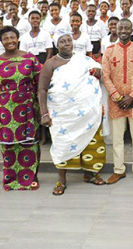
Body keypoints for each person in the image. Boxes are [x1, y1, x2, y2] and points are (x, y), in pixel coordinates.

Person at [38, 33, 107, 196]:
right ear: (57, 45)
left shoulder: (83, 59)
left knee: (91, 141)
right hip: (62, 114)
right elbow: (42, 89)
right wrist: (43, 113)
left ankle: (90, 174)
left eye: (69, 40)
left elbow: (100, 72)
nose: (67, 44)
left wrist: (98, 72)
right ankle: (61, 179)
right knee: (63, 144)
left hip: (87, 113)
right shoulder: (51, 63)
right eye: (62, 41)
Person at [0, 26, 41, 190]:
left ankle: (30, 178)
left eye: (12, 38)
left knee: (29, 143)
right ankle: (10, 179)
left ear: (18, 39)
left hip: (28, 105)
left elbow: (40, 85)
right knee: (8, 144)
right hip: (5, 109)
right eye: (5, 38)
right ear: (1, 41)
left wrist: (41, 109)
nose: (9, 41)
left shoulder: (31, 58)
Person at [101, 19, 133, 184]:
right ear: (115, 28)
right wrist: (117, 96)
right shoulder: (108, 51)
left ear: (132, 30)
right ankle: (118, 170)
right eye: (120, 27)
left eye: (127, 28)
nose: (123, 30)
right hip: (116, 102)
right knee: (117, 139)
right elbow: (105, 76)